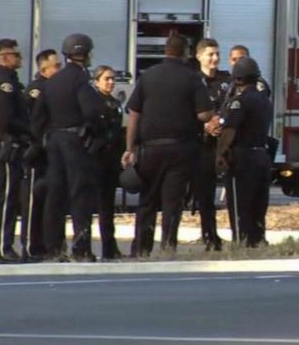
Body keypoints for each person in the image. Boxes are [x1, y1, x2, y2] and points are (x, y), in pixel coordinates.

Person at [122, 35, 214, 258]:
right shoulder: (192, 78)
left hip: (150, 150)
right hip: (180, 150)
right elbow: (204, 114)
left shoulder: (148, 76)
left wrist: (129, 148)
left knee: (147, 201)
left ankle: (141, 249)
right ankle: (167, 247)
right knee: (172, 201)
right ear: (185, 52)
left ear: (166, 50)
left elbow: (134, 114)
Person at [32, 33, 103, 261]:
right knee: (80, 193)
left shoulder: (52, 81)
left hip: (54, 141)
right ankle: (81, 248)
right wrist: (92, 131)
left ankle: (54, 248)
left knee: (55, 195)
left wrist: (43, 138)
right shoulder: (81, 80)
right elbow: (91, 112)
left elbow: (37, 117)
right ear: (86, 54)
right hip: (75, 141)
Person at [0, 38, 31, 264]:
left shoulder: (9, 81)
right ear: (4, 57)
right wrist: (30, 132)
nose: (19, 58)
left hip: (5, 146)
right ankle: (3, 248)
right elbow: (6, 119)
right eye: (16, 55)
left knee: (1, 198)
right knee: (7, 199)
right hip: (7, 146)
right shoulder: (4, 84)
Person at [217, 57, 273, 247]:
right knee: (258, 203)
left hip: (243, 158)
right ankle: (258, 239)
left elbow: (230, 131)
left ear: (238, 79)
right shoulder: (265, 101)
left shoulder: (239, 102)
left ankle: (242, 241)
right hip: (262, 155)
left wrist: (220, 153)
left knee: (240, 204)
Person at [19, 49, 61, 260]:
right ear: (44, 70)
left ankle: (46, 244)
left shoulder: (52, 89)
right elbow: (32, 123)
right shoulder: (37, 91)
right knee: (33, 201)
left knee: (49, 201)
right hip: (37, 154)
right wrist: (35, 145)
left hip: (51, 153)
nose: (59, 69)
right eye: (56, 66)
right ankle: (30, 246)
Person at [193, 38, 231, 251]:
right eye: (210, 54)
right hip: (200, 144)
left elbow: (231, 107)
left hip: (224, 142)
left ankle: (222, 237)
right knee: (204, 193)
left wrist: (219, 122)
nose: (215, 58)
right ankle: (208, 234)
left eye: (217, 54)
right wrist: (205, 125)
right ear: (199, 56)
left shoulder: (227, 81)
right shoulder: (192, 81)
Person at [92, 65, 125, 259]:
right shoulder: (93, 102)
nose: (111, 82)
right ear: (97, 81)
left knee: (107, 206)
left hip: (110, 160)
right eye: (106, 79)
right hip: (96, 158)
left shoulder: (115, 103)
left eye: (113, 79)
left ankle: (109, 247)